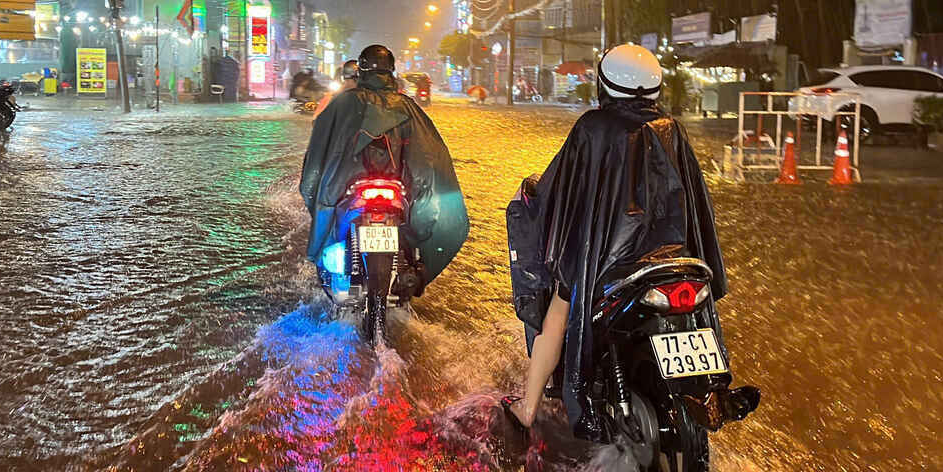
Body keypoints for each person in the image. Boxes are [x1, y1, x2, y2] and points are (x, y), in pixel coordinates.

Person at [501, 44, 727, 437]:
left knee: (557, 315)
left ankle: (527, 406)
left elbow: (560, 189)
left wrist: (534, 195)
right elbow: (691, 201)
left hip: (606, 262)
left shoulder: (593, 127)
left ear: (606, 84)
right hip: (669, 260)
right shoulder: (672, 127)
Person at [300, 45, 468, 300]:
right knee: (417, 224)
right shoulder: (408, 106)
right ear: (391, 71)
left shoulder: (342, 103)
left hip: (348, 189)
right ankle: (413, 268)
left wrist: (315, 190)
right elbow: (431, 157)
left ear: (361, 70)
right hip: (395, 192)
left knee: (328, 217)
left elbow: (317, 154)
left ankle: (339, 273)